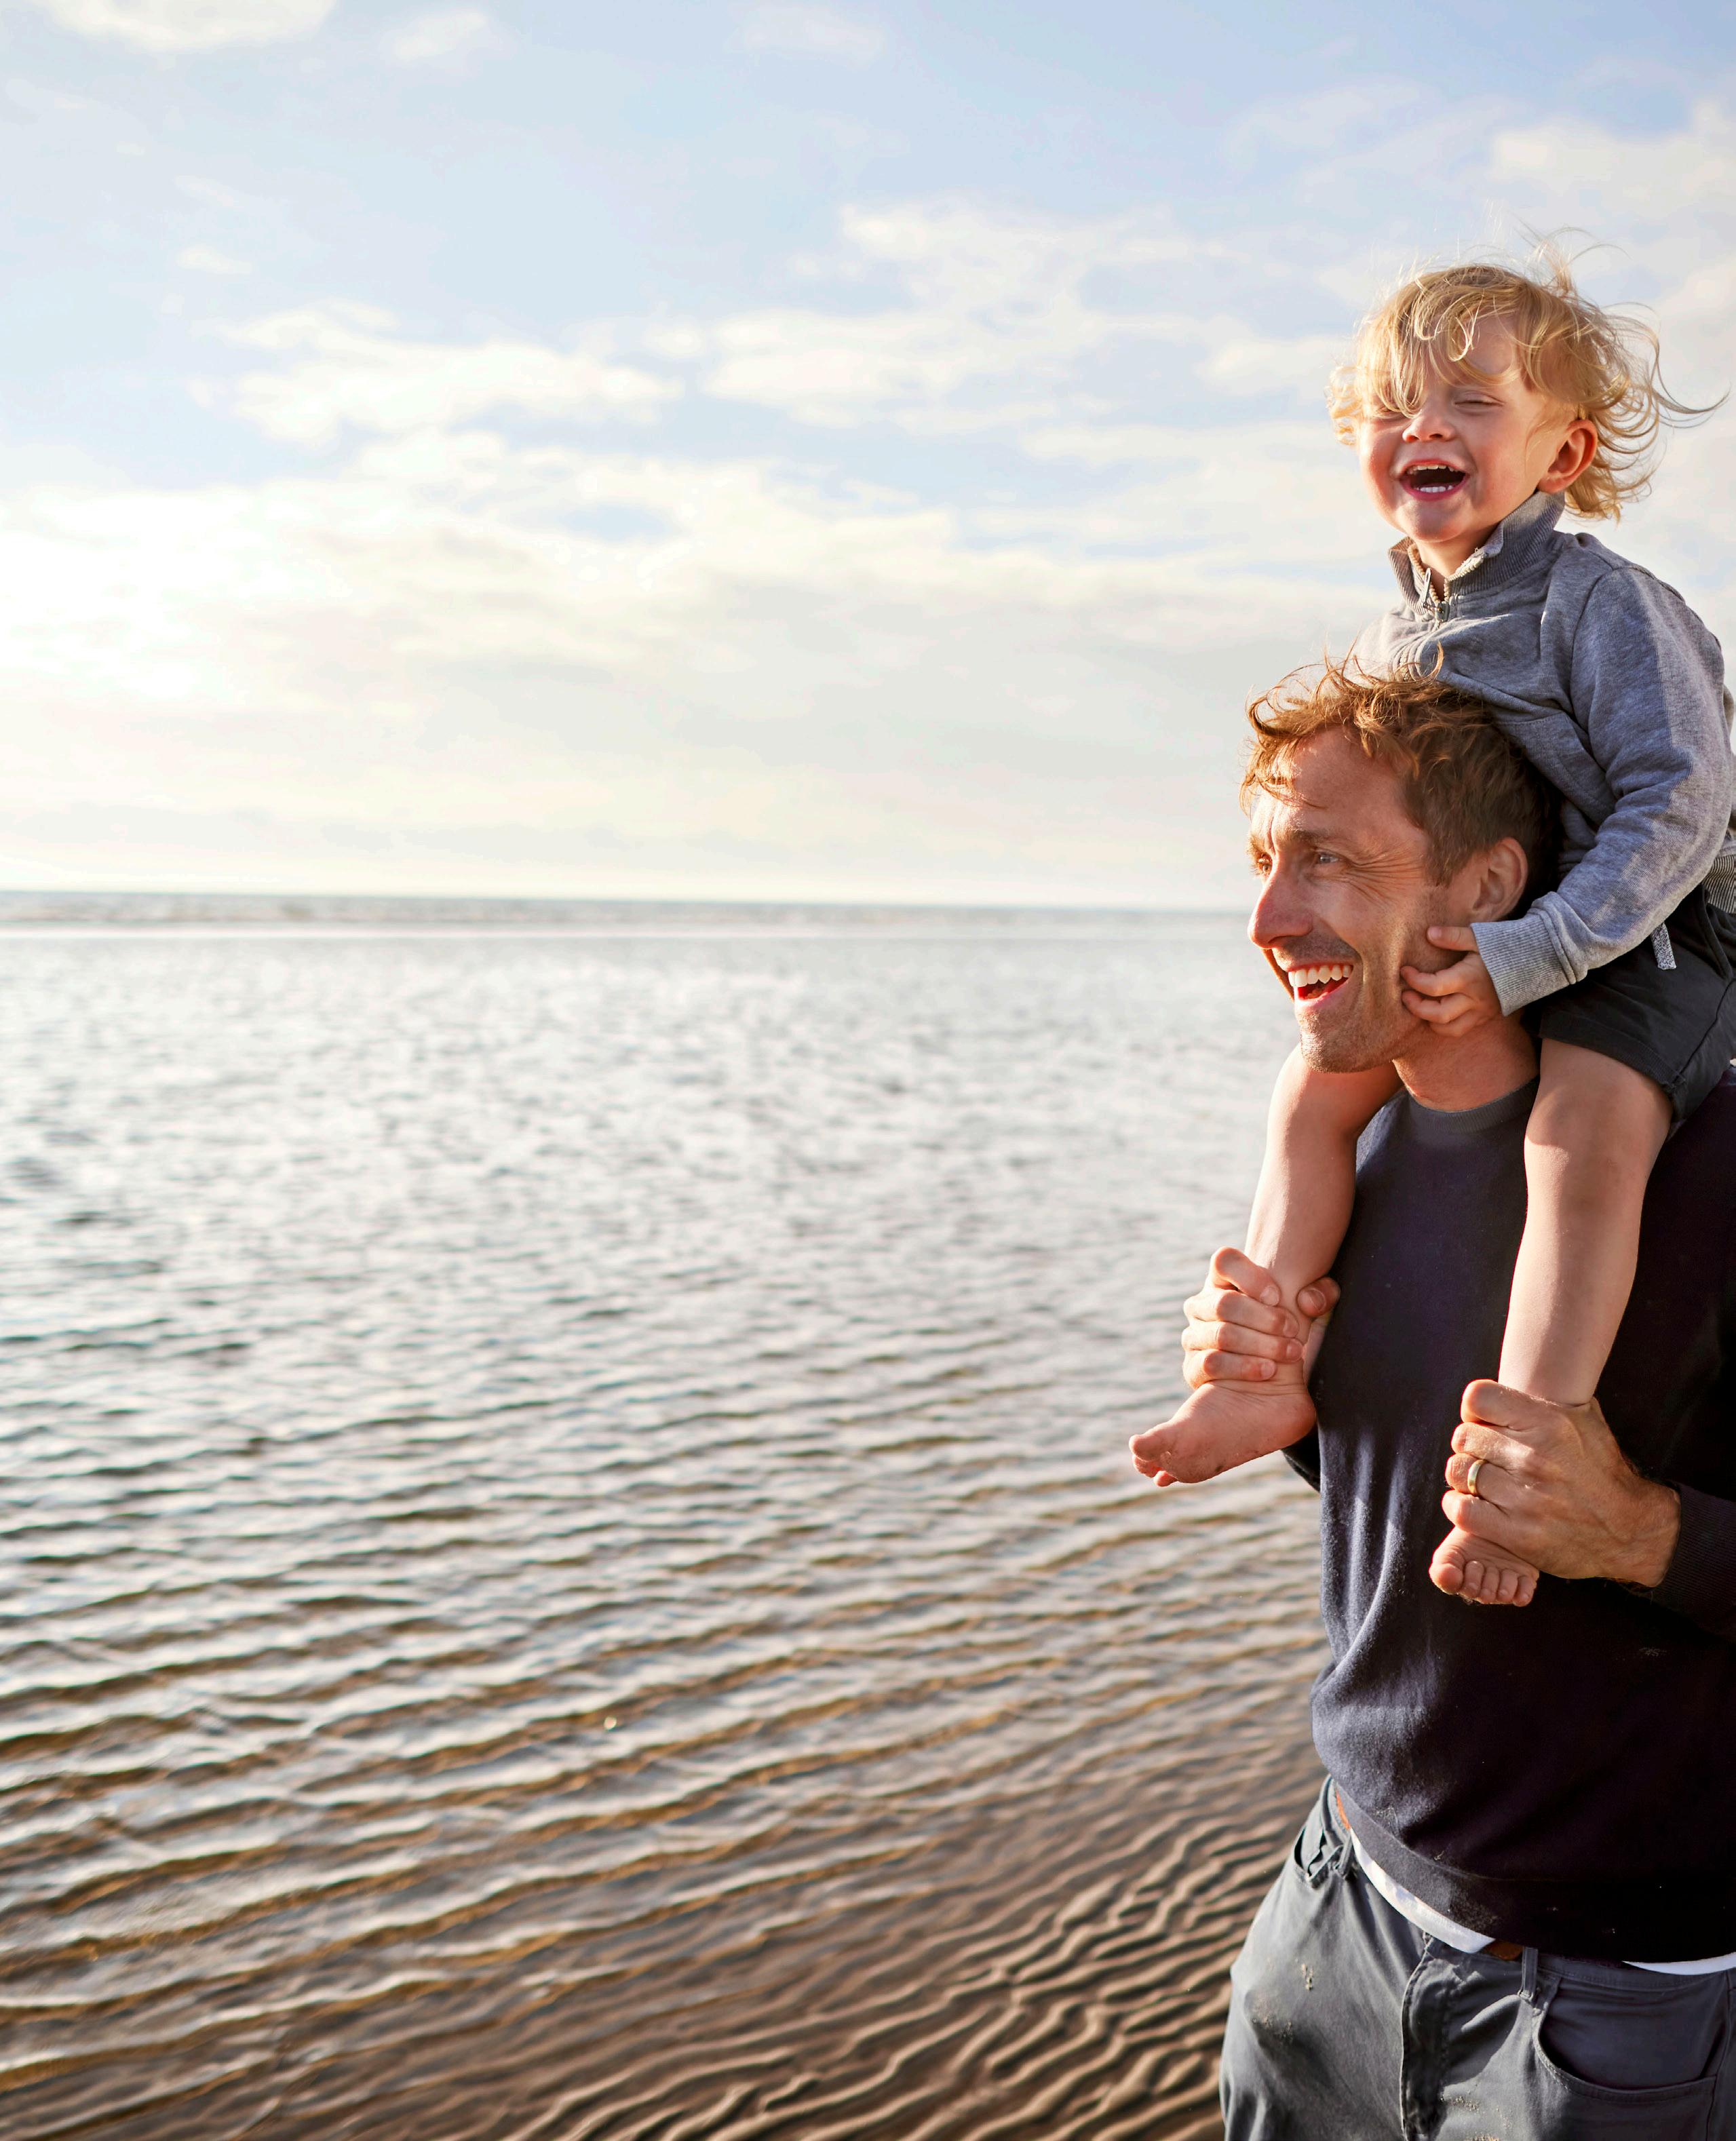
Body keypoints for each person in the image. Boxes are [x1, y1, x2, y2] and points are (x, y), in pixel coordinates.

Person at [1130, 663, 1736, 2137]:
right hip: (1333, 1901)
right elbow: (1391, 1485)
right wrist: (1278, 1382)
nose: (1266, 920)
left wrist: (1640, 1533)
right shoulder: (1352, 1153)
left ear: (1491, 887)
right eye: (1264, 862)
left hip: (1613, 1996)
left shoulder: (1711, 1170)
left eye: (1326, 861)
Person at [1152, 251, 1736, 1609]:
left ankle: (1525, 1465)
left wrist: (1537, 951)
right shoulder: (1394, 636)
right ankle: (1257, 1373)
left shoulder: (1601, 603)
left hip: (1640, 939)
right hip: (1490, 938)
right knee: (1309, 1096)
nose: (1424, 427)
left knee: (1576, 1138)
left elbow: (1679, 797)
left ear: (1562, 452)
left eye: (1472, 401)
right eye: (1390, 407)